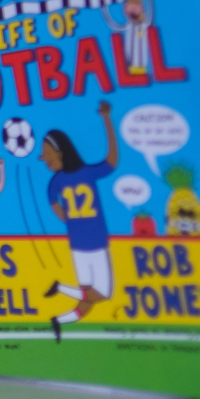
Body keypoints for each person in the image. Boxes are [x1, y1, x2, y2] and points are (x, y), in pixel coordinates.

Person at [41, 101, 119, 338]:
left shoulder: (57, 181)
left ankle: (57, 320)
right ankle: (61, 288)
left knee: (88, 303)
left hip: (80, 245)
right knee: (103, 294)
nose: (45, 161)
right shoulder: (87, 173)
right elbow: (112, 160)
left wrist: (71, 221)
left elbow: (53, 201)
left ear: (61, 153)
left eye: (47, 156)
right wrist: (107, 119)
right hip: (93, 242)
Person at [102, 0, 155, 77]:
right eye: (130, 6)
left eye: (136, 6)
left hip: (142, 70)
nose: (133, 9)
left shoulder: (144, 25)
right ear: (125, 9)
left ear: (142, 8)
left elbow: (150, 16)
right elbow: (113, 24)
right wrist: (104, 5)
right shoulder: (128, 26)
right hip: (128, 71)